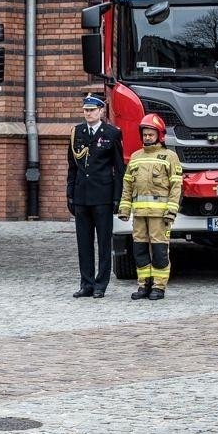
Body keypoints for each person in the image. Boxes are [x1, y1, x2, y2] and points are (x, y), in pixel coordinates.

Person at [117, 113, 183, 301]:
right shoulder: (136, 157)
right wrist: (124, 209)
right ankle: (143, 285)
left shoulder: (170, 157)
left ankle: (159, 286)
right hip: (139, 215)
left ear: (159, 135)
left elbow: (176, 186)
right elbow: (127, 185)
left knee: (160, 251)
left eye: (150, 134)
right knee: (139, 251)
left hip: (159, 216)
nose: (147, 137)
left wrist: (171, 212)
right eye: (145, 134)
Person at [66, 94, 124, 298]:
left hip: (103, 195)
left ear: (101, 111)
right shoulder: (77, 132)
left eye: (92, 110)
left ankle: (101, 284)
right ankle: (86, 283)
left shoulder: (112, 133)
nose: (88, 113)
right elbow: (72, 168)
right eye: (85, 110)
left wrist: (117, 197)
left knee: (104, 243)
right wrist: (70, 194)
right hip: (82, 195)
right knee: (84, 243)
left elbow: (118, 168)